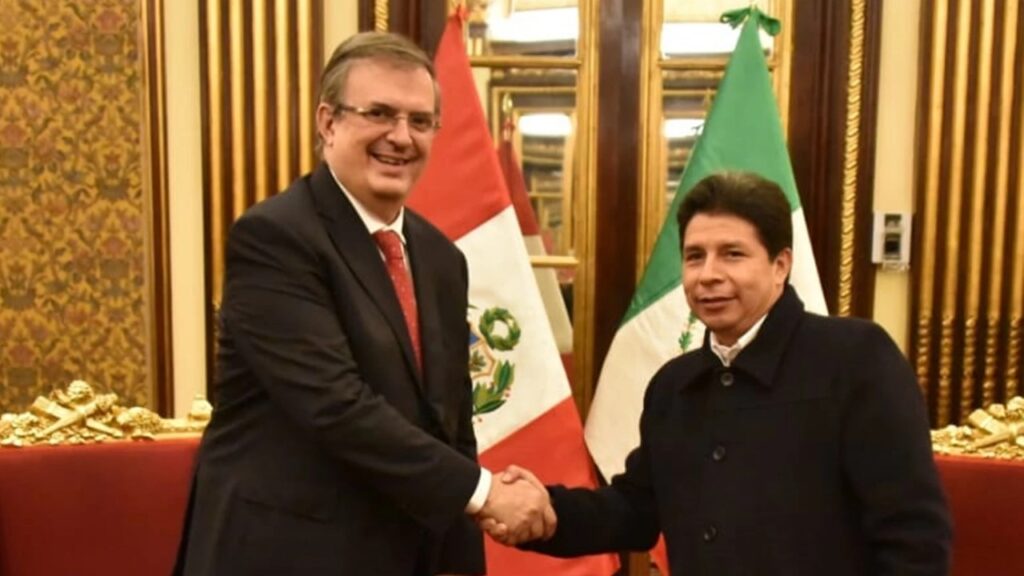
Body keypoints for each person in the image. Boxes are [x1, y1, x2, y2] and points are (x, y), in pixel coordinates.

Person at [174, 31, 552, 576]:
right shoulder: (275, 238)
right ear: (328, 123)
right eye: (379, 113)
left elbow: (451, 425)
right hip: (286, 554)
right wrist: (487, 494)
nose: (401, 137)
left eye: (420, 121)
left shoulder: (442, 258)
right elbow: (336, 406)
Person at [494, 171, 952, 575]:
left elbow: (913, 538)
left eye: (732, 254)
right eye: (695, 257)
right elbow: (635, 510)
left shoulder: (856, 359)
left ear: (780, 265)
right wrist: (545, 510)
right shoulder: (674, 386)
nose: (707, 275)